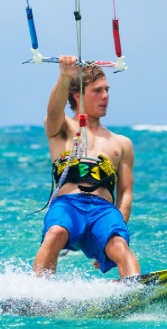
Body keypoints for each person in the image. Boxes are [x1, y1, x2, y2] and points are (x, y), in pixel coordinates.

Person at [33, 55, 141, 278]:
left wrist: (118, 230)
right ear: (78, 96)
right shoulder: (61, 128)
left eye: (107, 90)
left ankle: (135, 289)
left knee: (119, 245)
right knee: (55, 233)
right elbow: (53, 112)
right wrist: (64, 76)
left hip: (103, 211)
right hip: (68, 205)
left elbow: (125, 194)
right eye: (98, 91)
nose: (105, 97)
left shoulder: (121, 143)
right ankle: (38, 293)